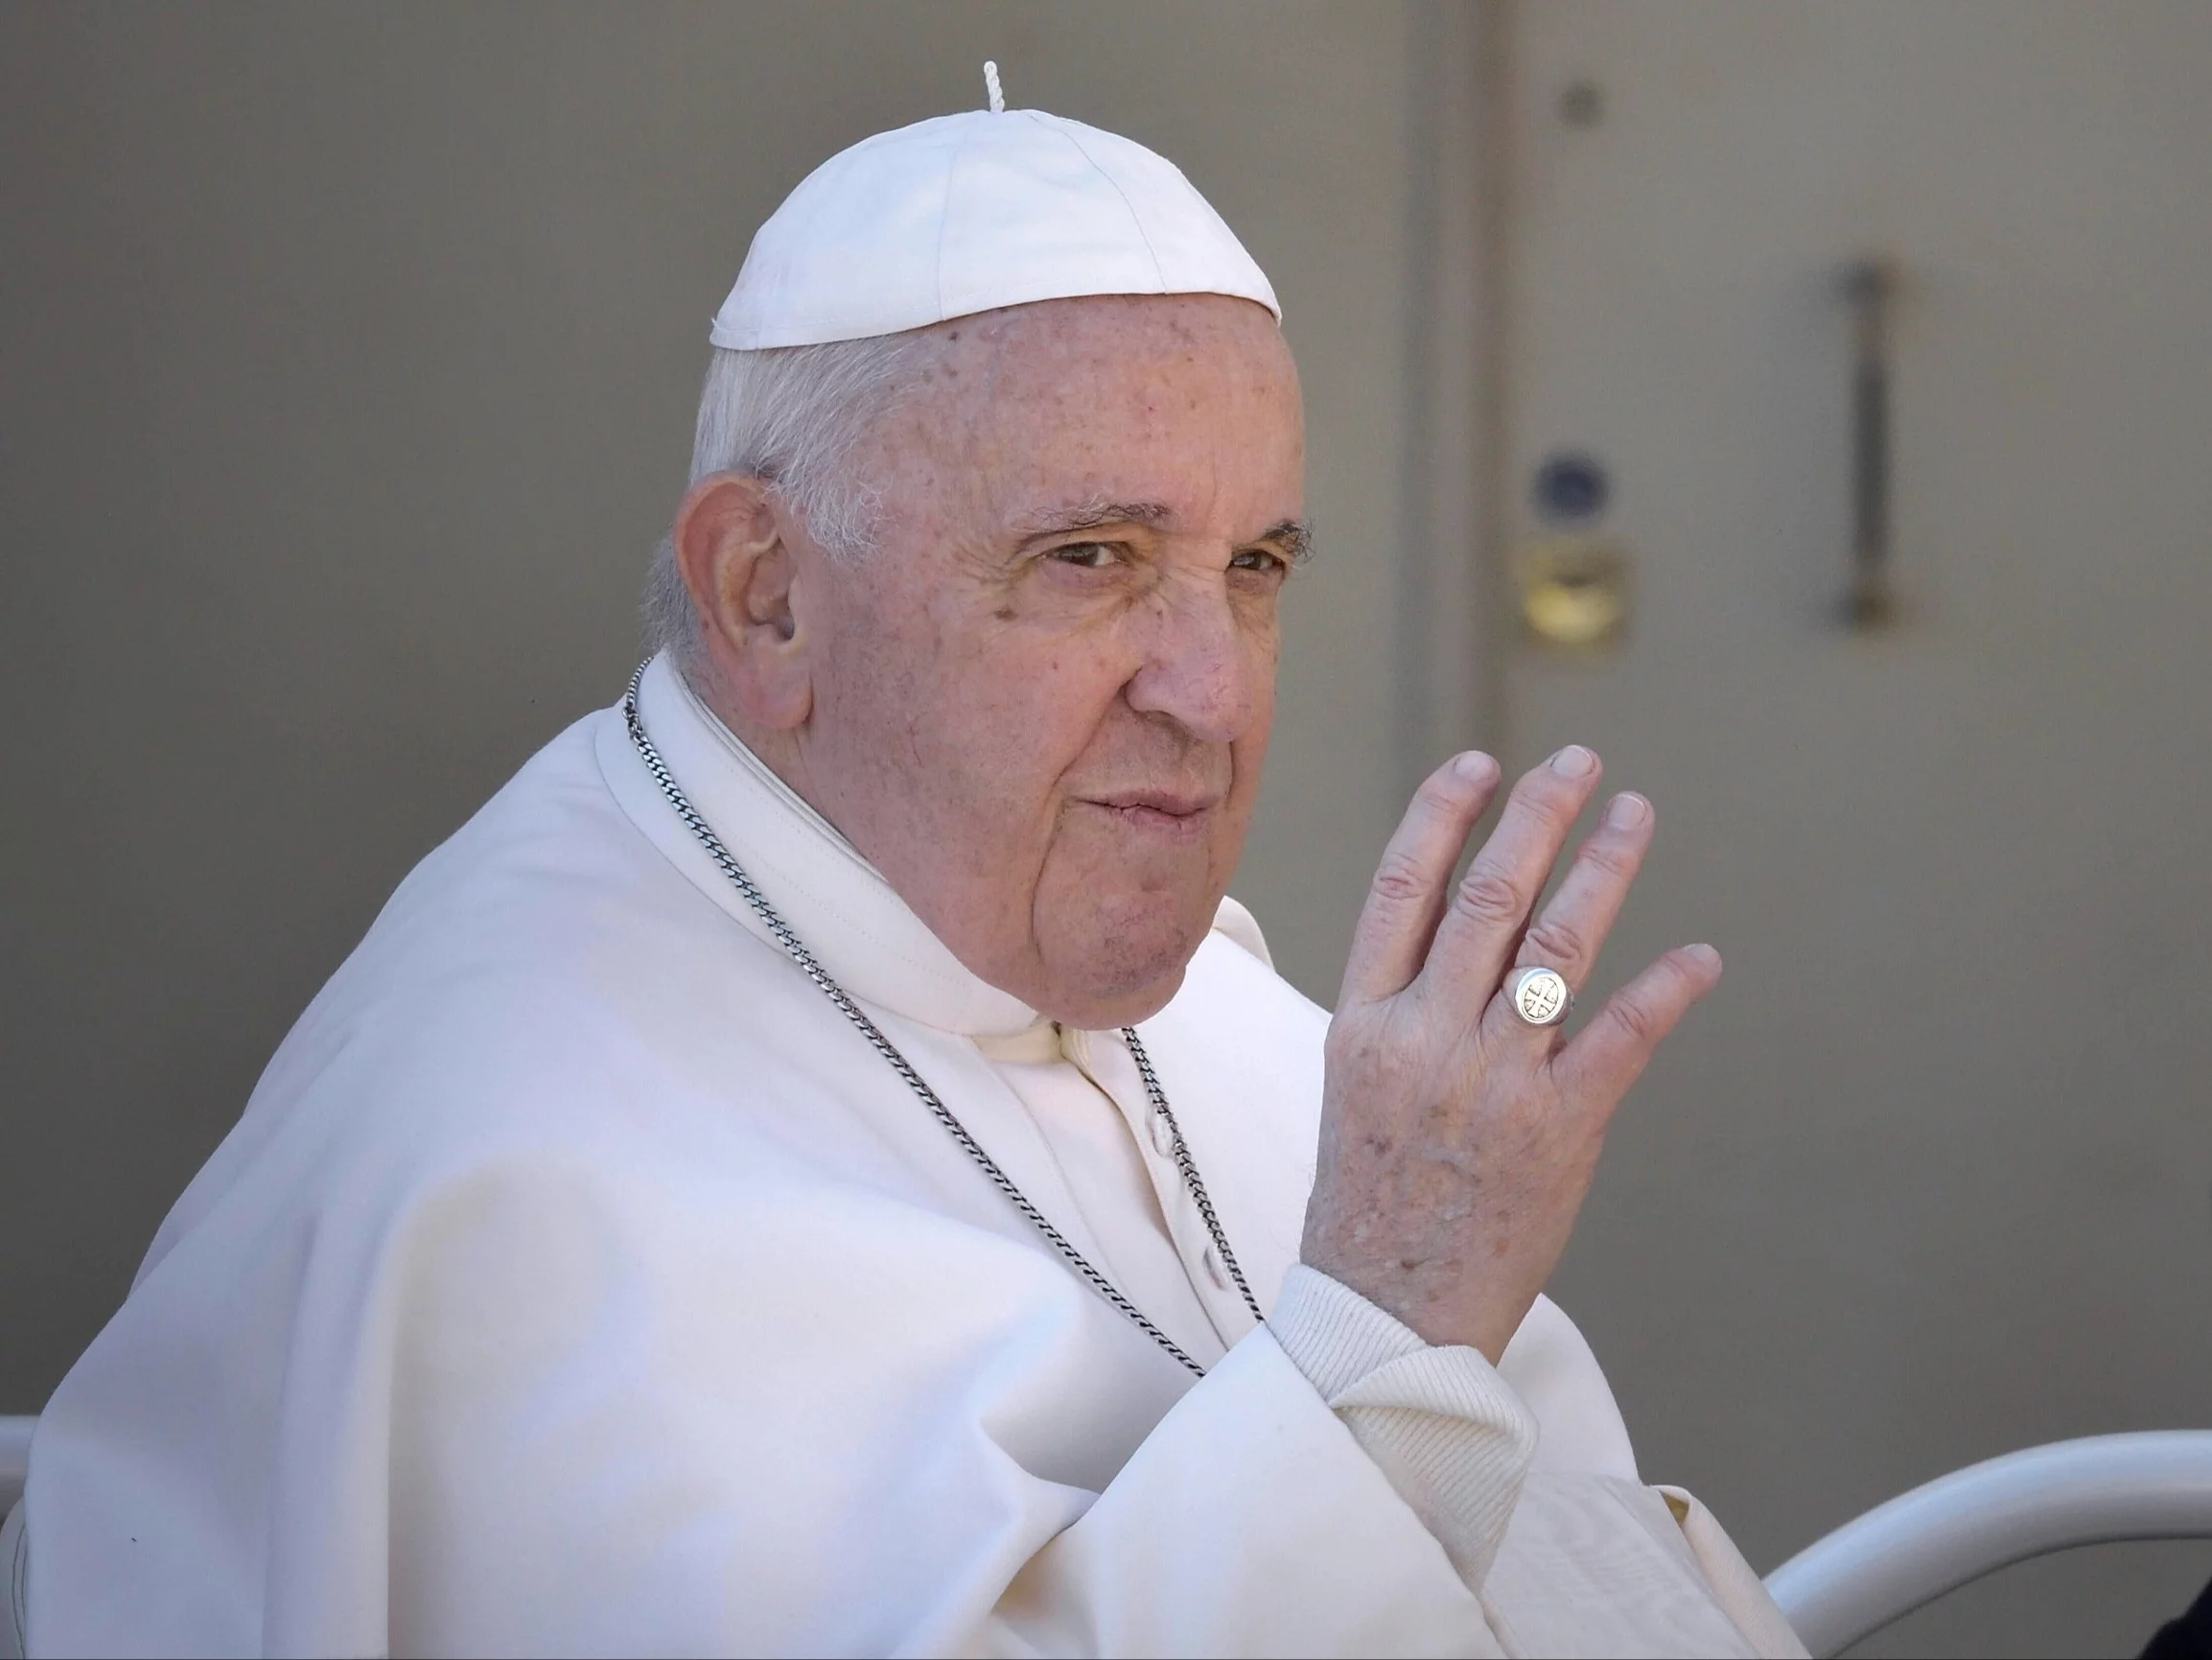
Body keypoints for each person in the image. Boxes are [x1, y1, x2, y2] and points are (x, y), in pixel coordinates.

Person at [19, 87, 1806, 1657]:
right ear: (765, 596)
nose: (1212, 692)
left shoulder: (1218, 1022)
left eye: (1255, 565)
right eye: (1092, 557)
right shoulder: (519, 1182)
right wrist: (1393, 1317)